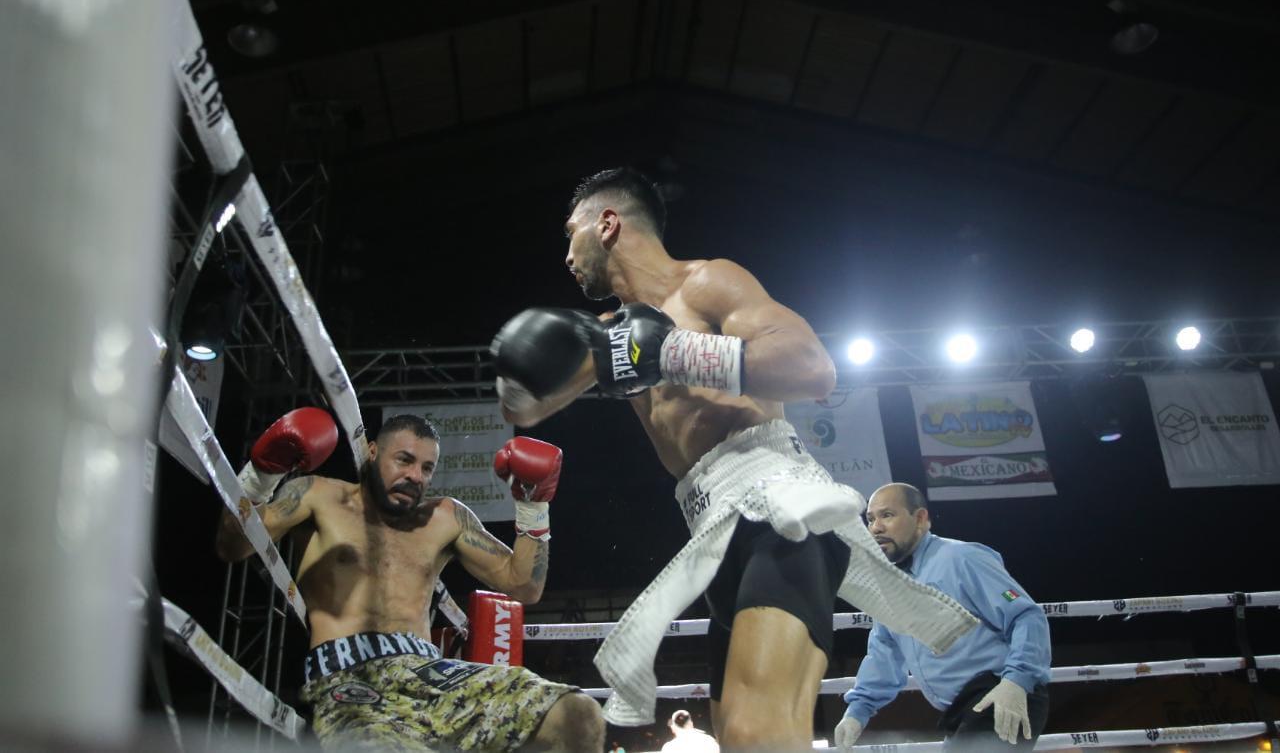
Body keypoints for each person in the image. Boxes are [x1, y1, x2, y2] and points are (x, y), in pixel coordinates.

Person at [490, 167, 977, 751]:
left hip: (775, 506)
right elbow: (526, 408)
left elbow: (812, 369)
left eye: (572, 232)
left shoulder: (705, 284)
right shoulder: (605, 336)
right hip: (714, 533)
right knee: (743, 738)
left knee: (756, 735)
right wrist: (518, 381)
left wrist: (677, 351)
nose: (566, 253)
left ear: (607, 223)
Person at [215, 408, 605, 752]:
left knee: (577, 714)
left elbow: (524, 586)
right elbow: (233, 546)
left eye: (426, 468)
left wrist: (533, 505)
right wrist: (263, 475)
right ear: (372, 452)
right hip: (351, 681)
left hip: (430, 674)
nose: (414, 476)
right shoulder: (320, 495)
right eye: (403, 460)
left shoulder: (445, 517)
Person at [835, 483, 1051, 751]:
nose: (876, 527)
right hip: (962, 710)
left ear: (921, 519)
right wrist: (857, 712)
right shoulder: (890, 584)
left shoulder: (962, 558)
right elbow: (884, 653)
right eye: (870, 518)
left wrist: (1016, 681)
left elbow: (1026, 615)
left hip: (1001, 693)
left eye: (887, 515)